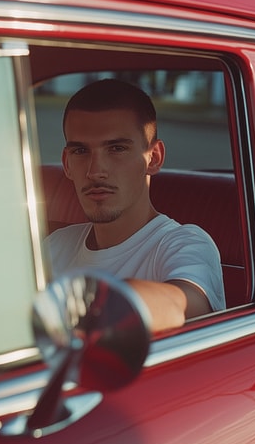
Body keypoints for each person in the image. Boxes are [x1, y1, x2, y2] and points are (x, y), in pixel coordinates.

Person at [43, 78, 225, 333]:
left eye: (116, 148)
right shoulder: (54, 246)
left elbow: (182, 303)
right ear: (66, 164)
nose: (96, 171)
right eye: (80, 151)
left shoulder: (184, 243)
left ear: (154, 158)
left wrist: (95, 309)